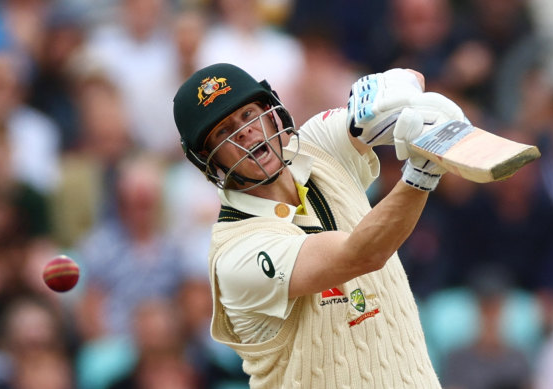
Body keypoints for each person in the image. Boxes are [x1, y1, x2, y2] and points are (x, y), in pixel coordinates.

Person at [172, 62, 468, 387]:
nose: (245, 131)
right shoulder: (236, 255)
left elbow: (411, 80)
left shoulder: (318, 145)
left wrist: (393, 95)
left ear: (272, 113)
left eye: (248, 114)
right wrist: (421, 173)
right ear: (209, 159)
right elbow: (361, 255)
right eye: (224, 131)